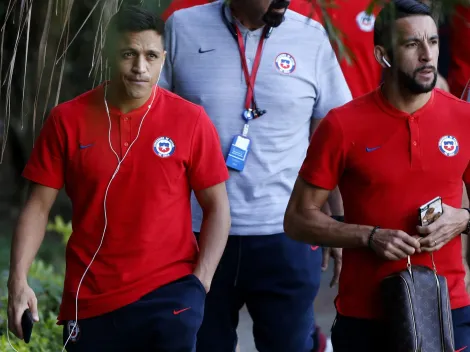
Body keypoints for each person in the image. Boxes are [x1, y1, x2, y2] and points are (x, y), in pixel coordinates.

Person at [7, 5, 231, 351]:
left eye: (151, 56)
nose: (140, 68)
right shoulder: (67, 120)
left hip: (169, 295)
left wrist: (199, 283)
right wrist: (18, 282)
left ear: (163, 59)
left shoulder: (191, 121)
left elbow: (217, 208)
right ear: (108, 53)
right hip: (91, 298)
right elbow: (38, 207)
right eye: (129, 54)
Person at [159, 0, 351, 351]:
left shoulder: (311, 35)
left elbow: (331, 140)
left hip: (286, 236)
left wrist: (338, 222)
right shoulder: (182, 28)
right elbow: (152, 124)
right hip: (196, 234)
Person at [284, 0, 470, 351]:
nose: (427, 55)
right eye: (412, 44)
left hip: (448, 309)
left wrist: (462, 218)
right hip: (365, 316)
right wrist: (369, 236)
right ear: (383, 55)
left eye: (433, 41)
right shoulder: (342, 124)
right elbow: (296, 220)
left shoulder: (465, 119)